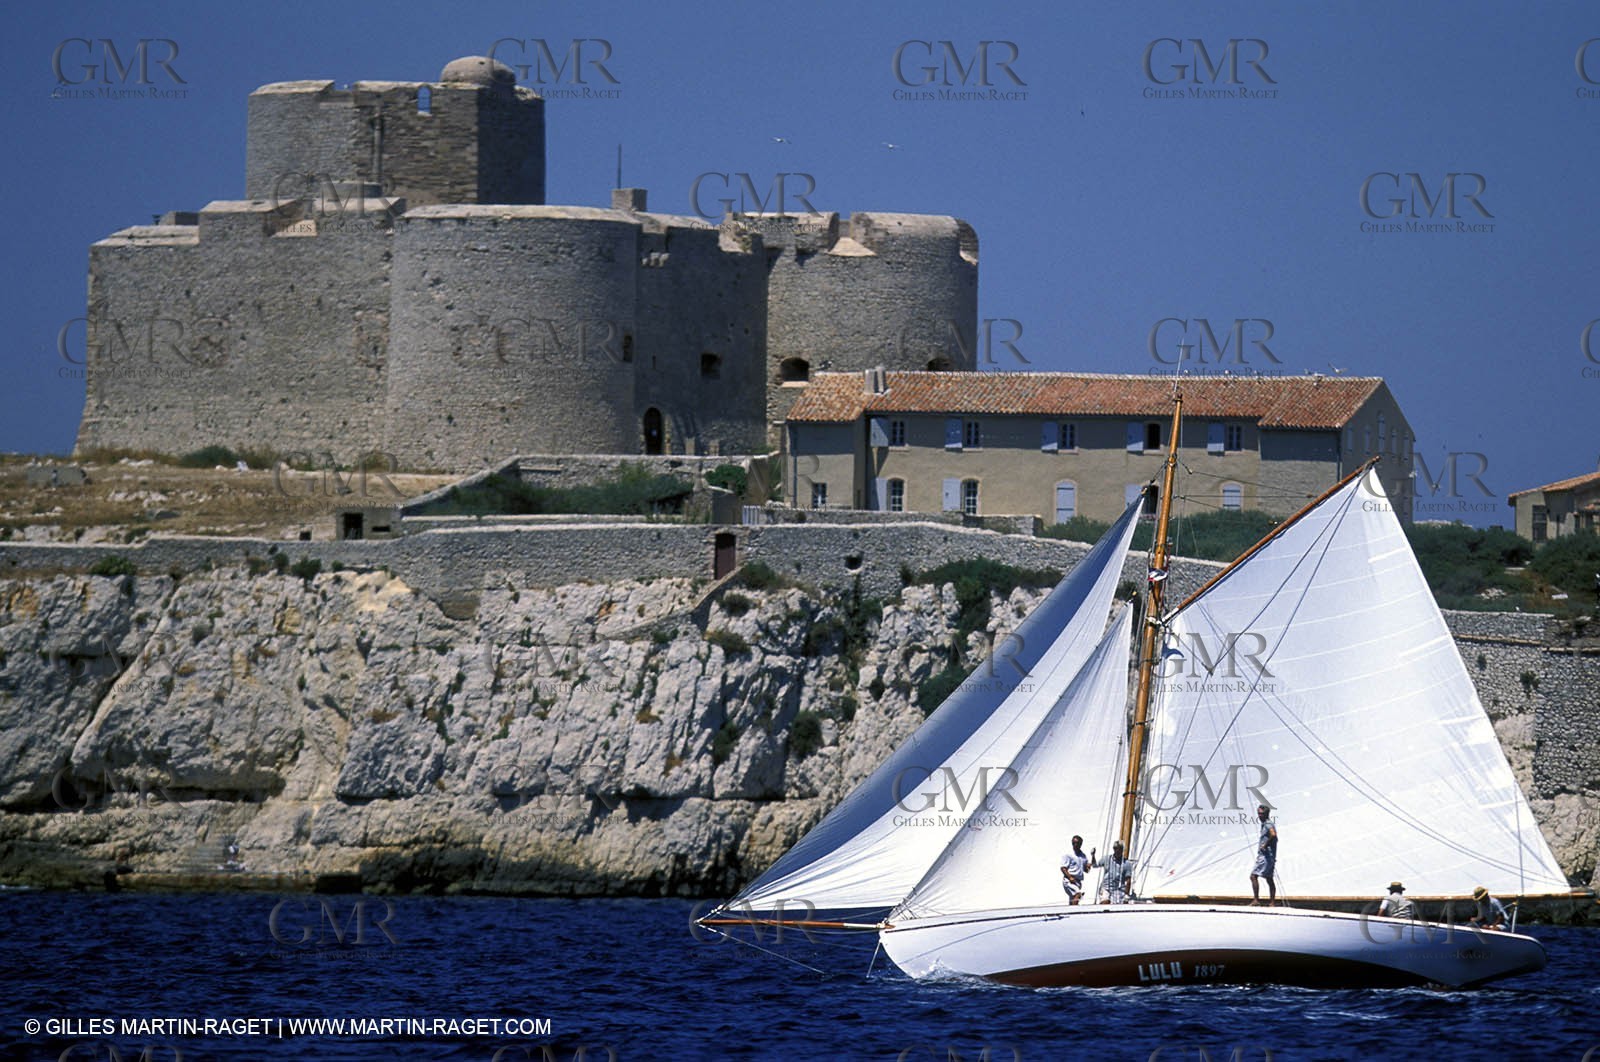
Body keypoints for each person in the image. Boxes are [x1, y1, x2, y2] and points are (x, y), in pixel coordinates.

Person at [1249, 803, 1278, 906]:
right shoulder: (1265, 824)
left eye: (1261, 814)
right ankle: (1272, 902)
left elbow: (1273, 834)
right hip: (1269, 856)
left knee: (1253, 876)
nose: (1259, 815)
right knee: (1269, 878)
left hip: (1265, 856)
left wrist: (1265, 845)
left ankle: (1256, 900)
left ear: (1266, 814)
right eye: (1258, 813)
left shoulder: (1268, 824)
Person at [1059, 835, 1095, 905]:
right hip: (1069, 880)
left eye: (1077, 843)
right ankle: (1073, 911)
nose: (1075, 845)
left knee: (1073, 899)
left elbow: (1086, 870)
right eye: (1073, 843)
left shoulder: (1083, 856)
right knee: (1077, 894)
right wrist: (1070, 877)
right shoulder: (1068, 854)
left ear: (1081, 844)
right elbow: (1063, 868)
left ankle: (1070, 912)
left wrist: (1092, 858)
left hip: (1078, 881)